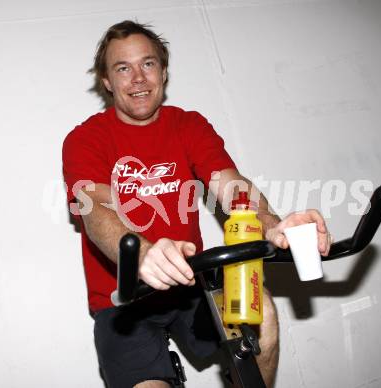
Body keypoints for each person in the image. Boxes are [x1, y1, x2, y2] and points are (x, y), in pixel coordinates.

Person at [62, 20, 331, 388]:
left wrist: (271, 222)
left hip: (192, 284)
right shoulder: (85, 139)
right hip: (122, 300)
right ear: (107, 81)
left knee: (262, 315)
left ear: (164, 71)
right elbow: (95, 208)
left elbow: (230, 185)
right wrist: (140, 254)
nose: (138, 78)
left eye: (148, 64)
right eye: (123, 68)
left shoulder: (187, 125)